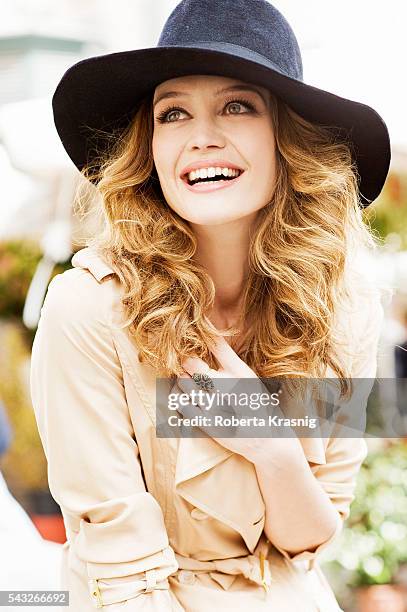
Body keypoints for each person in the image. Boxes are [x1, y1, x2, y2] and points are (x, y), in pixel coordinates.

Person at [30, 0, 390, 610]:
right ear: (149, 148)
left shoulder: (346, 305)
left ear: (289, 140)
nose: (202, 137)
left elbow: (312, 538)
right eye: (173, 113)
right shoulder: (86, 311)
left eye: (238, 105)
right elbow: (119, 574)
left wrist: (269, 442)